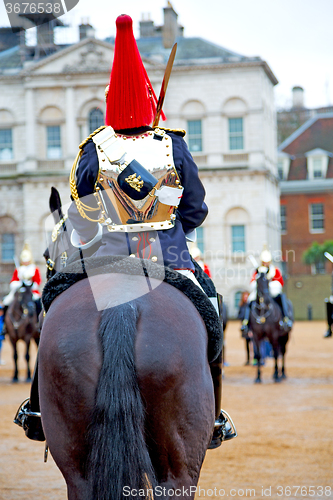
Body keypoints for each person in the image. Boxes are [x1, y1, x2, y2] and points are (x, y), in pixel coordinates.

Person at [15, 14, 236, 448]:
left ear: (111, 98)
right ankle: (211, 417)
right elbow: (195, 207)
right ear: (149, 93)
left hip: (104, 258)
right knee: (209, 311)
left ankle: (38, 409)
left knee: (53, 309)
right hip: (168, 257)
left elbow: (81, 212)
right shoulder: (171, 142)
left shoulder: (94, 147)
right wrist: (170, 224)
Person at [241, 247, 293, 335]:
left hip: (271, 290)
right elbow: (252, 282)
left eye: (267, 262)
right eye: (264, 262)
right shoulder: (258, 270)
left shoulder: (275, 270)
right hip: (260, 291)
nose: (266, 264)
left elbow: (280, 282)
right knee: (250, 299)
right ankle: (246, 322)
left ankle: (286, 318)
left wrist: (270, 281)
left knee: (281, 297)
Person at [2, 243, 42, 327]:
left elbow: (38, 281)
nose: (25, 262)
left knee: (38, 303)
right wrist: (19, 284)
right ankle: (4, 325)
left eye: (26, 260)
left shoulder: (34, 269)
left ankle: (39, 323)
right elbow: (13, 281)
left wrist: (30, 285)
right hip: (20, 291)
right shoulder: (18, 270)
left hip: (31, 291)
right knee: (6, 302)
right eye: (24, 260)